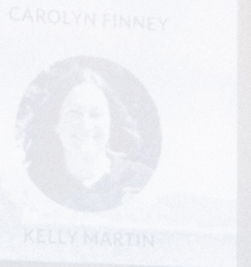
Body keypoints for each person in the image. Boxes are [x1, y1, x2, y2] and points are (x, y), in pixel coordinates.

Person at [20, 65, 155, 212]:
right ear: (56, 124)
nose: (86, 125)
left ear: (111, 124)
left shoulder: (142, 181)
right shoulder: (34, 185)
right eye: (75, 113)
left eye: (95, 114)